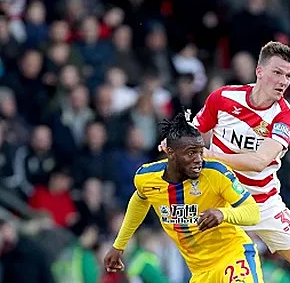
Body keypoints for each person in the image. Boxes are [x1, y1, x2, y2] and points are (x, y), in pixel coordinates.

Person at [161, 41, 290, 283]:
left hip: (262, 201)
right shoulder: (224, 97)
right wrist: (175, 141)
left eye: (288, 75)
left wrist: (209, 155)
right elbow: (193, 133)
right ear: (259, 71)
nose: (283, 81)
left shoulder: (285, 115)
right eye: (277, 72)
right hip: (220, 198)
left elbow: (259, 161)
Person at [104, 111, 263, 283]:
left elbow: (253, 213)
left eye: (201, 152)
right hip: (200, 272)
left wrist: (223, 214)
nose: (198, 159)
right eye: (190, 153)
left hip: (233, 256)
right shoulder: (146, 178)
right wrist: (119, 246)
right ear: (171, 153)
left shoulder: (217, 173)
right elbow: (140, 200)